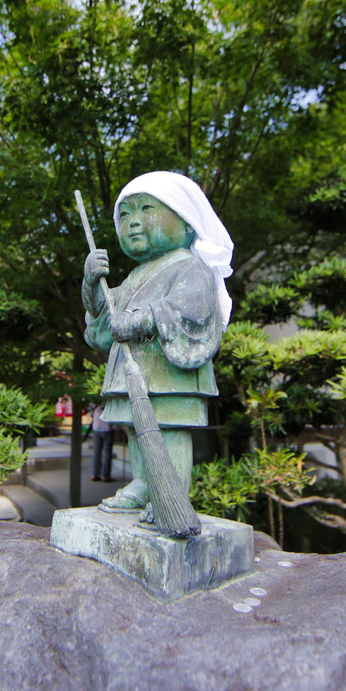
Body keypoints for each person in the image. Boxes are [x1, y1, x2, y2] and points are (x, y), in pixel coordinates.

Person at [82, 171, 233, 524]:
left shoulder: (190, 266)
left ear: (187, 222)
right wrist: (90, 283)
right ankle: (143, 483)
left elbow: (190, 306)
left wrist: (136, 321)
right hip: (134, 370)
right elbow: (103, 317)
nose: (133, 222)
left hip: (169, 371)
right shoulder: (135, 276)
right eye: (125, 215)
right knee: (137, 425)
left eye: (146, 210)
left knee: (168, 427)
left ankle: (173, 494)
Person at [89, 403, 114, 482]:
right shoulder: (109, 401)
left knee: (97, 452)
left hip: (96, 427)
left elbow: (90, 414)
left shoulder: (95, 403)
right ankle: (105, 475)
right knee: (107, 452)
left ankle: (95, 473)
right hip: (107, 428)